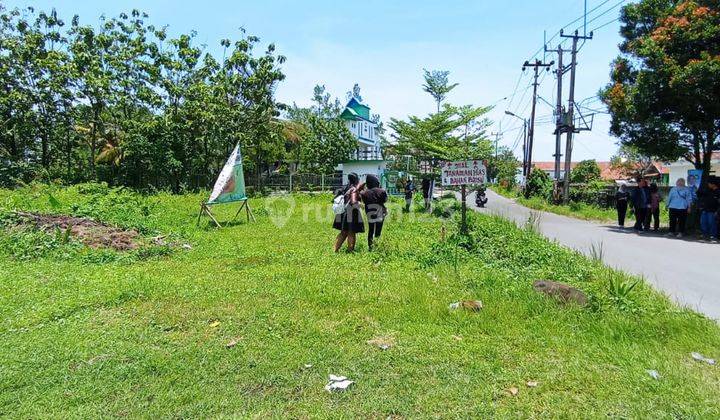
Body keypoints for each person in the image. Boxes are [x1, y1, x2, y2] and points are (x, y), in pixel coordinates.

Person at [333, 172, 364, 252]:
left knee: (343, 232)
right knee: (351, 232)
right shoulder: (354, 189)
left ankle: (335, 250)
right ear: (356, 179)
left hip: (343, 211)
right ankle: (350, 251)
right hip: (351, 212)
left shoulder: (345, 187)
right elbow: (353, 202)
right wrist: (362, 205)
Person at [360, 174, 388, 250]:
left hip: (369, 213)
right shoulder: (382, 191)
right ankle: (376, 245)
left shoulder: (364, 193)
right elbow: (385, 200)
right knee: (378, 231)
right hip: (380, 213)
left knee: (371, 230)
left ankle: (370, 247)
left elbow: (363, 201)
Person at [697, 177, 719, 242]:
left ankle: (713, 236)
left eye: (709, 183)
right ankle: (705, 235)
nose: (708, 184)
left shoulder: (718, 192)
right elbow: (700, 194)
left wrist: (717, 211)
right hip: (705, 210)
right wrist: (697, 189)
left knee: (712, 223)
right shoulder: (708, 190)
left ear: (713, 184)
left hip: (713, 211)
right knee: (703, 223)